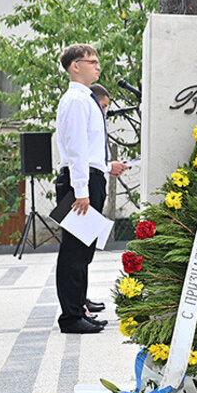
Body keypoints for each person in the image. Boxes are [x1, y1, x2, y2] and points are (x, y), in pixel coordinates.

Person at [54, 44, 128, 334]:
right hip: (78, 183)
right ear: (75, 66)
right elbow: (75, 148)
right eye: (92, 62)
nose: (98, 66)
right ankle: (71, 317)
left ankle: (79, 307)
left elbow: (89, 148)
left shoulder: (85, 99)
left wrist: (106, 167)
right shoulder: (75, 100)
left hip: (88, 178)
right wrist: (81, 190)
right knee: (74, 251)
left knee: (83, 251)